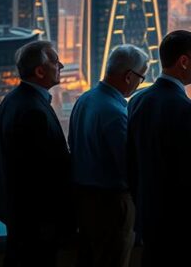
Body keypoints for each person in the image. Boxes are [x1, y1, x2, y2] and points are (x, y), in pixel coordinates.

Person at [127, 30, 191, 266]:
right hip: (180, 225)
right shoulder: (187, 110)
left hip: (147, 217)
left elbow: (131, 161)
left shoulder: (137, 100)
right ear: (183, 61)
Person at [69, 44, 148, 267]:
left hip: (83, 200)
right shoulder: (115, 112)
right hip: (112, 205)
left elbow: (72, 144)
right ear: (128, 76)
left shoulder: (84, 100)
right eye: (140, 78)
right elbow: (128, 164)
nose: (139, 84)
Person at [0, 40, 73, 267]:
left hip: (18, 213)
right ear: (39, 71)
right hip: (38, 222)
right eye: (56, 62)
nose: (62, 66)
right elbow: (45, 171)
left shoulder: (12, 100)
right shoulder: (33, 110)